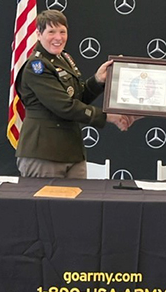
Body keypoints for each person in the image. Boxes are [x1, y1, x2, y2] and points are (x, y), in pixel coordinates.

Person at [15, 10, 131, 179]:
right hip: (44, 153)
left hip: (72, 152)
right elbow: (64, 106)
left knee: (78, 205)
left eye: (62, 31)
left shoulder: (65, 58)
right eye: (51, 32)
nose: (58, 37)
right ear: (38, 34)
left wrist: (98, 80)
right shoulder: (37, 67)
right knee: (47, 206)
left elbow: (77, 98)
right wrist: (107, 116)